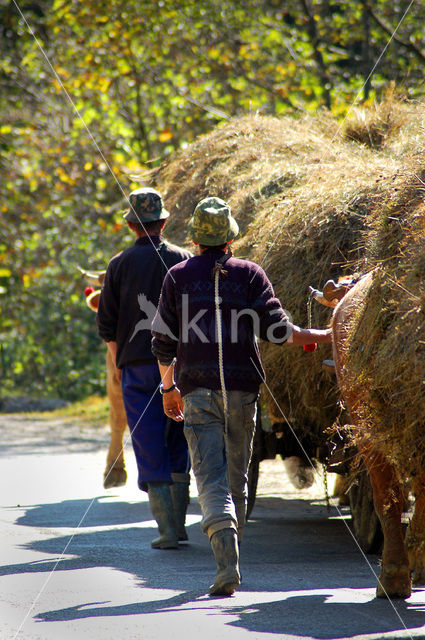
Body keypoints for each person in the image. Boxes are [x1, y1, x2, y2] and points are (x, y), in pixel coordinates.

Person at [151, 196, 332, 595]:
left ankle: (225, 565)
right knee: (236, 480)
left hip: (196, 392)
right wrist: (323, 336)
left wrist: (168, 389)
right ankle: (233, 562)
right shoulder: (250, 274)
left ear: (196, 240)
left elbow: (162, 342)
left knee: (210, 479)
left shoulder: (177, 277)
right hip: (243, 393)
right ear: (230, 239)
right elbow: (279, 330)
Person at [97, 187, 192, 550]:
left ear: (131, 226)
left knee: (147, 441)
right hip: (180, 365)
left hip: (136, 368)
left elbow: (107, 323)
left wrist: (118, 361)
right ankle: (180, 525)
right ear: (163, 222)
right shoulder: (183, 260)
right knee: (178, 437)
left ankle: (167, 530)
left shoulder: (119, 265)